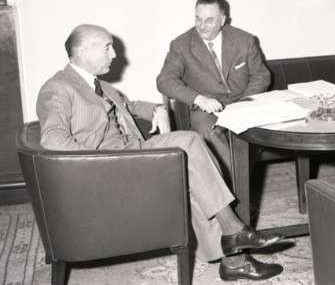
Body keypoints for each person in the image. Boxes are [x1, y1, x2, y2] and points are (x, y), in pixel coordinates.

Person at [36, 24, 284, 281]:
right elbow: (53, 139)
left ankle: (234, 259)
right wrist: (104, 160)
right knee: (189, 144)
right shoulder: (58, 87)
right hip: (107, 168)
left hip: (132, 153)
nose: (114, 55)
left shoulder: (101, 86)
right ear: (82, 51)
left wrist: (157, 109)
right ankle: (233, 231)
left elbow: (128, 106)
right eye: (107, 48)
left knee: (194, 169)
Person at [157, 0, 271, 179]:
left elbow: (261, 75)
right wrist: (199, 99)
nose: (202, 26)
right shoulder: (181, 45)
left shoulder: (245, 40)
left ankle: (238, 180)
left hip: (243, 102)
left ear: (223, 20)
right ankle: (234, 186)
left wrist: (244, 103)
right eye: (198, 19)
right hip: (207, 108)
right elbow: (164, 81)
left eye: (209, 20)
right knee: (206, 129)